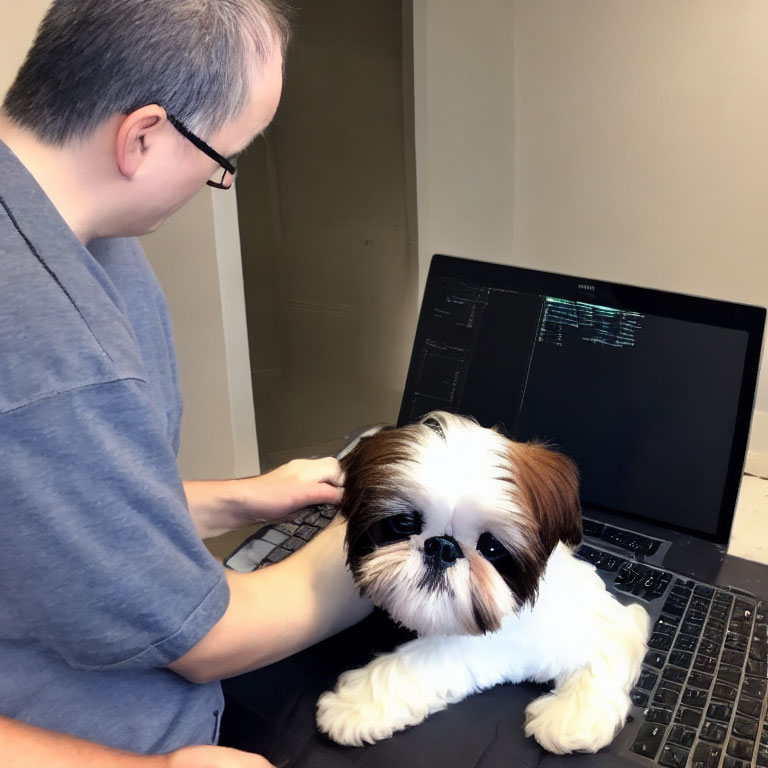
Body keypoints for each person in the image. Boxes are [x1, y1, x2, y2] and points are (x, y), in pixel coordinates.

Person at [0, 1, 371, 766]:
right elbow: (208, 641)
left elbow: (42, 523)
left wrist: (240, 497)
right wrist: (391, 542)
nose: (219, 180)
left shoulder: (73, 229)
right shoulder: (47, 350)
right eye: (221, 161)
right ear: (142, 134)